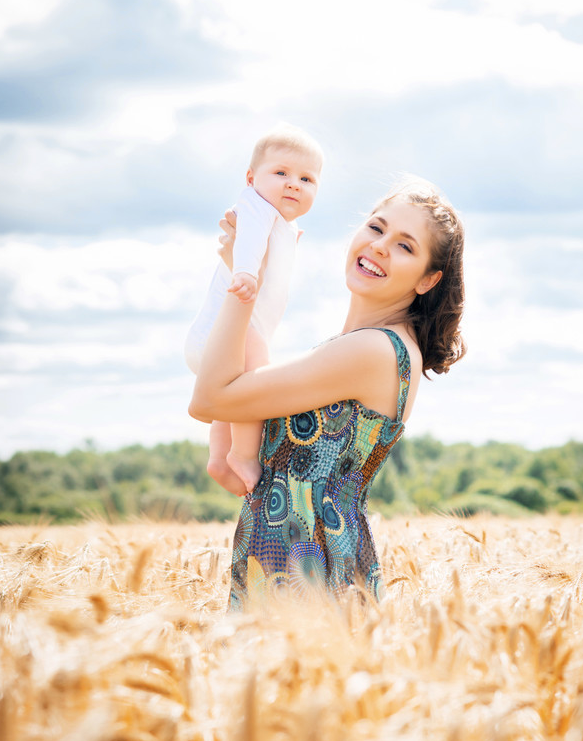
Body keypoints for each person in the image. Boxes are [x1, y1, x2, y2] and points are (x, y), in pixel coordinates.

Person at [189, 177, 465, 609]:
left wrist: (242, 279)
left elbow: (208, 399)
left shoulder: (373, 351)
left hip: (306, 567)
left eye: (405, 246)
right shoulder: (367, 347)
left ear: (428, 280)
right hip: (291, 554)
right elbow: (235, 451)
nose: (379, 246)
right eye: (377, 228)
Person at [185, 125, 323, 495]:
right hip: (230, 333)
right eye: (281, 173)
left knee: (232, 390)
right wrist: (245, 272)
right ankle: (245, 455)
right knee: (255, 380)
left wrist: (289, 237)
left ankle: (220, 456)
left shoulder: (280, 221)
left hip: (223, 343)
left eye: (307, 179)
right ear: (251, 179)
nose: (294, 184)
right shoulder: (255, 207)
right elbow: (248, 240)